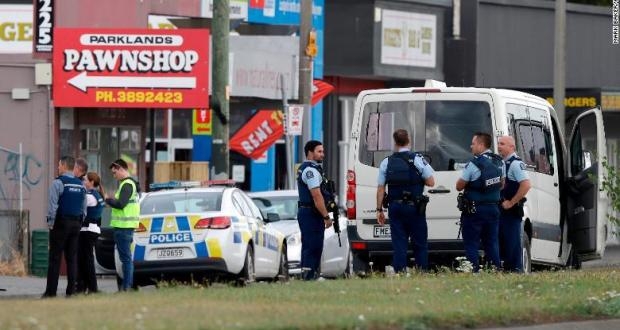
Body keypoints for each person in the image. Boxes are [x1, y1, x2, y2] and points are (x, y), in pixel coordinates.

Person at [376, 129, 435, 272]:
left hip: (395, 207)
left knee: (399, 243)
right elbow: (431, 182)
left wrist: (379, 210)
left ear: (395, 142)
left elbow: (380, 189)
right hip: (414, 207)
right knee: (419, 242)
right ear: (408, 140)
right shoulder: (417, 159)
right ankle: (421, 272)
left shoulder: (386, 162)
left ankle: (399, 273)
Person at [455, 132, 505, 272]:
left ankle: (473, 270)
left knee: (471, 242)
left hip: (474, 210)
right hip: (493, 209)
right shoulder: (499, 161)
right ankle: (494, 269)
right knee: (492, 242)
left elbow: (459, 186)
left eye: (473, 143)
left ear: (481, 145)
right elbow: (502, 184)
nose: (471, 146)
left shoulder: (473, 164)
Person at [42, 156, 87, 298]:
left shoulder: (58, 183)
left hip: (61, 223)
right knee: (72, 259)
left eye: (59, 165)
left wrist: (50, 223)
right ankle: (71, 292)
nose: (58, 167)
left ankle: (51, 292)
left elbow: (53, 205)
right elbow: (83, 209)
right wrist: (79, 223)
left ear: (63, 165)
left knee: (55, 258)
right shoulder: (81, 185)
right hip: (76, 224)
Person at [296, 140, 332, 280]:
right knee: (312, 246)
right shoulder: (310, 170)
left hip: (310, 213)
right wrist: (326, 217)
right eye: (319, 151)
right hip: (310, 213)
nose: (323, 154)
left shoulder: (311, 168)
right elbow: (317, 196)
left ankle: (311, 275)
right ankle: (309, 277)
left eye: (323, 151)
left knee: (314, 245)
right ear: (310, 153)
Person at [497, 136, 531, 272]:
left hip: (511, 212)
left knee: (512, 244)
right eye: (499, 143)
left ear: (512, 147)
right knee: (503, 244)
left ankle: (516, 271)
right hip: (502, 212)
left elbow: (526, 185)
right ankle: (507, 271)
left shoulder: (516, 164)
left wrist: (511, 202)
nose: (499, 146)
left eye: (503, 144)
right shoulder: (504, 163)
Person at [105, 159, 140, 291]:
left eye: (115, 173)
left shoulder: (126, 185)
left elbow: (121, 204)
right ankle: (127, 286)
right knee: (126, 259)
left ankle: (126, 287)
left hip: (124, 228)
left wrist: (108, 200)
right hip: (125, 227)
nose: (114, 176)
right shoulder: (130, 184)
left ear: (121, 169)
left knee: (126, 260)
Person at [76, 172, 105, 293]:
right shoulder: (97, 194)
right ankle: (85, 287)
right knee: (85, 260)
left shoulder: (90, 196)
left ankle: (92, 288)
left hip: (87, 231)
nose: (83, 182)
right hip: (91, 230)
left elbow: (78, 206)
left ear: (92, 182)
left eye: (85, 180)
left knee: (85, 260)